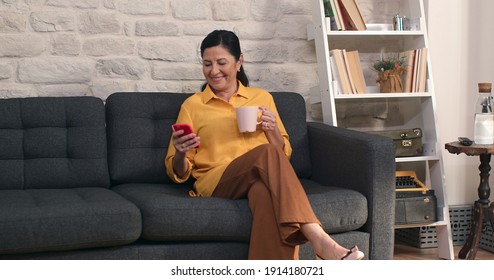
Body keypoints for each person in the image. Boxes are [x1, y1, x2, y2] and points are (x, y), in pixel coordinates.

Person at [165, 30, 364, 260]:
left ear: (239, 61)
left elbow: (282, 155)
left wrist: (271, 131)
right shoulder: (193, 105)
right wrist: (180, 153)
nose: (213, 70)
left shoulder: (261, 98)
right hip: (217, 182)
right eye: (207, 64)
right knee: (266, 153)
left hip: (259, 178)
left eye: (221, 62)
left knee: (264, 194)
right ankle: (319, 239)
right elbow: (178, 172)